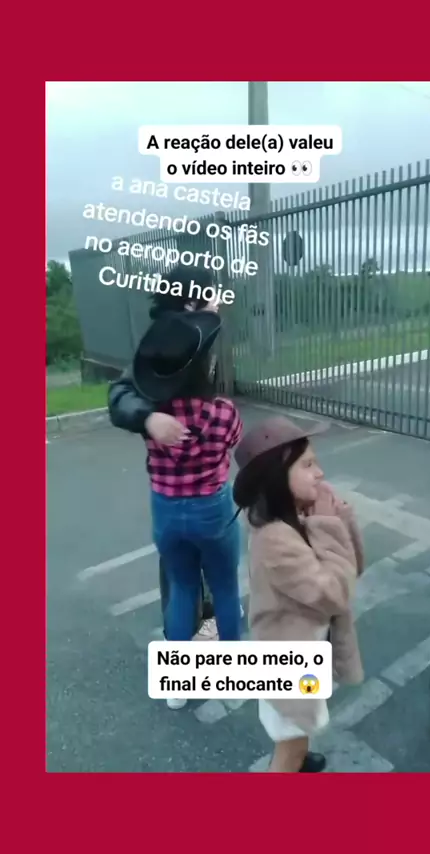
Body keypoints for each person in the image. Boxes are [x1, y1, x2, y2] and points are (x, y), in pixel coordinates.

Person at [117, 303, 243, 709]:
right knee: (224, 587)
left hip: (167, 510)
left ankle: (177, 687)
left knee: (183, 588)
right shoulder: (224, 412)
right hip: (213, 509)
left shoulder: (153, 417)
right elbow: (233, 442)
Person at [232, 416, 365, 773]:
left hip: (304, 653)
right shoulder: (275, 539)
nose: (319, 473)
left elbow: (353, 567)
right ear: (277, 478)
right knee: (289, 746)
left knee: (299, 730)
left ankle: (301, 758)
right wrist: (328, 526)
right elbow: (335, 593)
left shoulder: (296, 517)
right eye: (307, 465)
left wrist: (338, 518)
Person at [108, 264, 219, 640]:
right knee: (180, 569)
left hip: (209, 480)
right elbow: (121, 393)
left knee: (209, 560)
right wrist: (148, 418)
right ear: (191, 303)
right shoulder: (164, 342)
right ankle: (182, 642)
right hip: (173, 486)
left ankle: (207, 621)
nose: (218, 300)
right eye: (211, 293)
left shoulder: (200, 333)